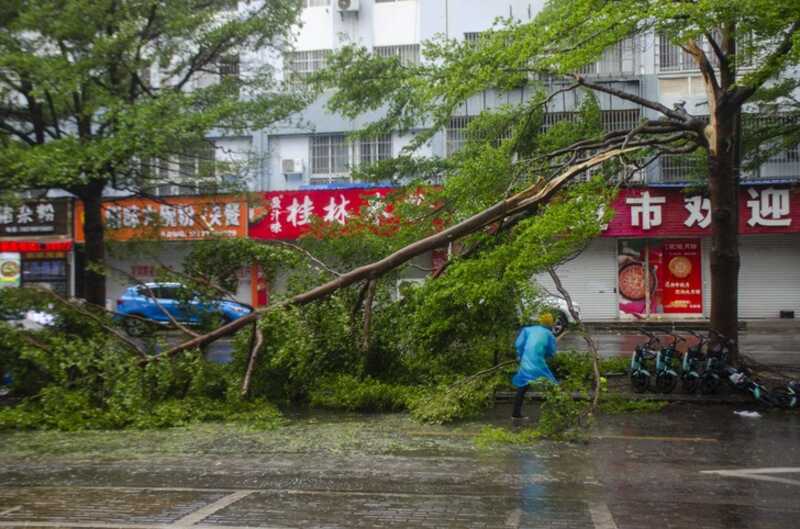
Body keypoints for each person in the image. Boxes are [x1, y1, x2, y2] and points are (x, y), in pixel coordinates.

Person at [511, 312, 558, 420]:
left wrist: (520, 355)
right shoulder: (549, 334)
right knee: (552, 385)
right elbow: (551, 352)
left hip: (525, 362)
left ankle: (515, 413)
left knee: (522, 386)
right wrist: (545, 354)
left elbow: (519, 344)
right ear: (551, 323)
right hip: (538, 364)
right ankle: (556, 413)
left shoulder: (528, 330)